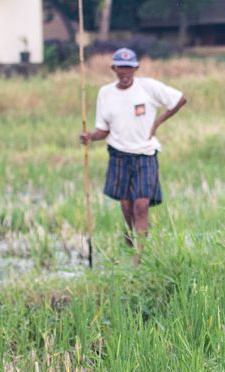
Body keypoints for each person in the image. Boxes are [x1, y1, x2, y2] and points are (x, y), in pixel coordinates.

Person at [79, 47, 187, 255]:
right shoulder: (106, 93)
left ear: (136, 68)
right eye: (121, 68)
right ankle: (131, 242)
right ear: (114, 68)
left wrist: (157, 123)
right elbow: (103, 129)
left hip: (145, 155)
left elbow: (180, 99)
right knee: (127, 207)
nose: (125, 72)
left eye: (129, 68)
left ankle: (140, 257)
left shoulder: (148, 88)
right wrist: (90, 137)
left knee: (141, 205)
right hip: (119, 155)